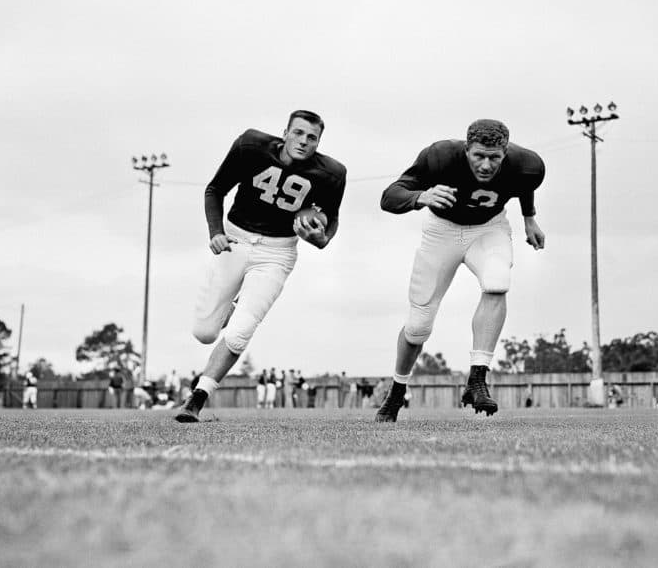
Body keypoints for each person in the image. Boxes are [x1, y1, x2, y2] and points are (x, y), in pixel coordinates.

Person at [175, 110, 347, 423]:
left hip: (277, 253)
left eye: (312, 137)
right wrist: (215, 231)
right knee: (204, 332)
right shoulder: (251, 146)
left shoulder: (332, 173)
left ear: (319, 142)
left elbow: (331, 222)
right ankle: (231, 306)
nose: (304, 141)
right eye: (298, 133)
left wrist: (319, 239)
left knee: (241, 332)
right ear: (285, 132)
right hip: (235, 240)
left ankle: (197, 399)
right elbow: (215, 189)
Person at [374, 119, 545, 422]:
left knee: (497, 281)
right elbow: (389, 196)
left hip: (488, 229)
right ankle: (397, 392)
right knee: (418, 327)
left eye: (495, 157)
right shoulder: (439, 157)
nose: (486, 164)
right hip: (442, 231)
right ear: (466, 149)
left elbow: (524, 183)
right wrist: (419, 197)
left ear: (506, 152)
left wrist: (529, 217)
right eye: (479, 155)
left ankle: (477, 378)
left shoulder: (526, 165)